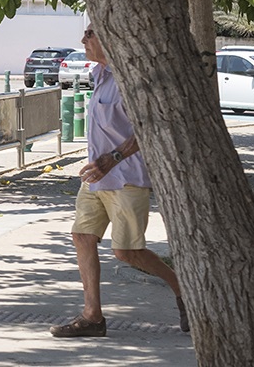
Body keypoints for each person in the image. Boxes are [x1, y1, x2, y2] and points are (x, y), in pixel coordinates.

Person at [50, 24, 189, 338]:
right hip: (95, 178)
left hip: (126, 178)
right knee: (82, 236)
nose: (82, 40)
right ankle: (92, 317)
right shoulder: (100, 74)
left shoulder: (129, 78)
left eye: (89, 34)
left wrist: (113, 158)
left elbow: (149, 128)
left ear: (108, 37)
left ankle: (183, 288)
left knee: (128, 252)